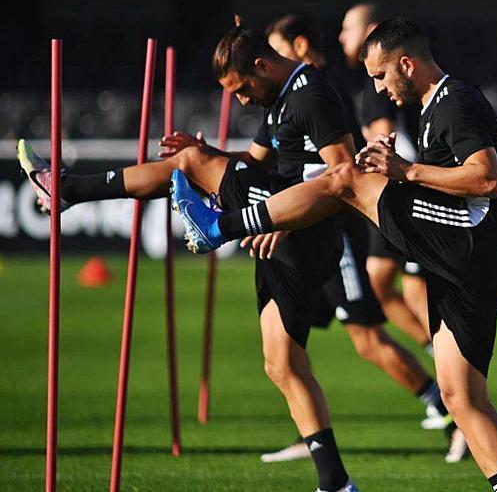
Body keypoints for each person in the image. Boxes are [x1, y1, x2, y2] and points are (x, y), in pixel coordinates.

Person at [171, 17, 497, 492]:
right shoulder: (431, 107)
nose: (378, 88)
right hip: (468, 265)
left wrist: (405, 171)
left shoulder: (454, 101)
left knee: (342, 180)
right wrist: (394, 169)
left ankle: (222, 225)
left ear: (406, 62)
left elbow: (487, 179)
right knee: (460, 397)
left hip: (473, 243)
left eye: (381, 76)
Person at [19, 24, 380, 492]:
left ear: (261, 65)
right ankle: (336, 484)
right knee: (281, 364)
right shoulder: (280, 98)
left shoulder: (311, 93)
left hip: (306, 230)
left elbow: (343, 172)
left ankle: (68, 188)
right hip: (280, 223)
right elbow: (253, 165)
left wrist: (279, 217)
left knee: (187, 168)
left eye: (243, 88)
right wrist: (209, 153)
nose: (243, 100)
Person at [260, 11, 464, 464]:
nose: (342, 37)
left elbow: (352, 163)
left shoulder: (327, 89)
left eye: (273, 51)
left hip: (341, 225)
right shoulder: (305, 92)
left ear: (295, 47)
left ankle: (451, 410)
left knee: (370, 330)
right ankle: (312, 431)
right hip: (313, 228)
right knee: (288, 343)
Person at [339, 2, 433, 354]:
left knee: (407, 286)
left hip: (403, 192)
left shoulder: (379, 88)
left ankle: (453, 370)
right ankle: (442, 360)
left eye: (348, 28)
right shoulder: (371, 87)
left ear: (371, 31)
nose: (341, 36)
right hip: (402, 190)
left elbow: (386, 141)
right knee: (387, 282)